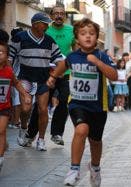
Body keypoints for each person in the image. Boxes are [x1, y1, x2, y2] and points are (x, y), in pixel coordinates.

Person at [46, 18, 117, 186]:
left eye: (91, 34)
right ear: (77, 37)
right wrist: (53, 77)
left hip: (99, 106)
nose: (88, 36)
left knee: (95, 141)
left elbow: (113, 76)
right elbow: (63, 66)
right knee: (81, 130)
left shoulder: (101, 56)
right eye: (83, 33)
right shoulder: (72, 56)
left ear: (96, 37)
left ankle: (95, 167)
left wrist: (98, 63)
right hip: (77, 103)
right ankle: (74, 169)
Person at [9, 12, 64, 151]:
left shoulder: (50, 41)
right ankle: (23, 128)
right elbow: (9, 58)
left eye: (47, 23)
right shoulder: (19, 38)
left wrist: (57, 74)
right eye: (44, 23)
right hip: (25, 79)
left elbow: (59, 60)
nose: (46, 26)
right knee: (26, 107)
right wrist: (12, 78)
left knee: (43, 110)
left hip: (43, 81)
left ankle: (41, 140)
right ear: (35, 24)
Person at [26, 5, 75, 146]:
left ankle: (56, 133)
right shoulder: (46, 29)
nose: (59, 16)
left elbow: (75, 48)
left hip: (64, 73)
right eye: (56, 13)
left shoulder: (71, 30)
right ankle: (30, 135)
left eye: (62, 14)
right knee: (41, 105)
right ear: (51, 16)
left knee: (64, 100)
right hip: (46, 73)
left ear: (65, 16)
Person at [0, 39, 31, 172]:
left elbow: (17, 84)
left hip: (4, 108)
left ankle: (0, 157)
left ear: (7, 56)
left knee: (1, 131)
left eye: (1, 52)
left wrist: (25, 95)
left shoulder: (8, 71)